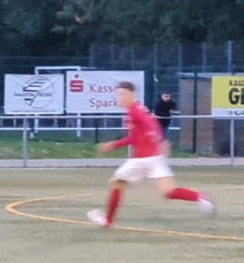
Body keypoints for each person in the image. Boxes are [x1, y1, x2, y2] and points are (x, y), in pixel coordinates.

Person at [87, 81, 214, 228]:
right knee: (168, 192)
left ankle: (108, 221)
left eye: (123, 94)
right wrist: (114, 144)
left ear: (131, 95)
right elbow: (135, 137)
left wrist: (160, 141)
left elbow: (150, 124)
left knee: (117, 183)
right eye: (118, 94)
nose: (120, 97)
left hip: (141, 159)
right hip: (155, 158)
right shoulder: (136, 110)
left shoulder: (134, 110)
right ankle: (201, 198)